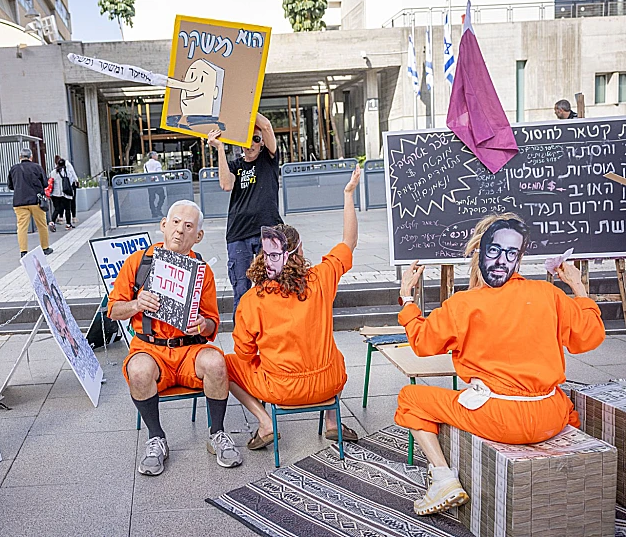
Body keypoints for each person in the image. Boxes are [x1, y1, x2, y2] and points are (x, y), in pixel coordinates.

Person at [393, 213, 606, 516]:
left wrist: (407, 299)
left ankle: (442, 478)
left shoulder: (462, 304)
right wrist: (578, 287)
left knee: (410, 399)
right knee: (565, 401)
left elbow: (422, 344)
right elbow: (590, 337)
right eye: (496, 250)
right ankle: (566, 471)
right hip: (550, 416)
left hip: (496, 417)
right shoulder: (549, 294)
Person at [225, 165, 361, 450]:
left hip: (280, 390)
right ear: (300, 252)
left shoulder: (252, 300)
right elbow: (349, 241)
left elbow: (244, 353)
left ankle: (265, 423)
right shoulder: (322, 278)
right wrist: (348, 195)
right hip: (328, 382)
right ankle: (332, 423)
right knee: (332, 351)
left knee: (225, 365)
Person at [107, 200, 242, 476]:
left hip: (189, 352)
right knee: (138, 369)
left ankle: (217, 433)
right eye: (176, 222)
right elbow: (113, 309)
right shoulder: (139, 262)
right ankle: (156, 437)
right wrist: (136, 304)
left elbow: (213, 322)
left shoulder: (202, 271)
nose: (180, 230)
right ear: (164, 226)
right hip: (150, 349)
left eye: (189, 226)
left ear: (198, 236)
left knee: (217, 362)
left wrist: (203, 325)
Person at [208, 112, 283, 315]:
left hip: (267, 231)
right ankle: (242, 339)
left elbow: (266, 126)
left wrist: (242, 105)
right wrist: (220, 149)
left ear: (261, 143)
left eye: (256, 139)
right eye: (246, 138)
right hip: (239, 233)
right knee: (241, 289)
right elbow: (225, 184)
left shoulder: (268, 159)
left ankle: (270, 333)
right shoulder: (235, 165)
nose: (251, 143)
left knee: (270, 286)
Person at [8, 148, 52, 258]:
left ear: (20, 157)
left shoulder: (14, 169)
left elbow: (10, 185)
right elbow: (45, 184)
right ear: (31, 157)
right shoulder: (37, 167)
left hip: (19, 202)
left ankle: (23, 251)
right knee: (42, 225)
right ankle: (45, 248)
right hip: (36, 201)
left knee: (22, 227)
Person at [49, 158, 78, 231]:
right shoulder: (67, 172)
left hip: (55, 194)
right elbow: (71, 181)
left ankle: (52, 222)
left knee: (57, 209)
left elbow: (51, 181)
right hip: (65, 194)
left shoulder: (53, 172)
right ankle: (68, 224)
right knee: (68, 209)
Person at [54, 155, 78, 219]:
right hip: (70, 185)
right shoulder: (68, 166)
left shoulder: (57, 169)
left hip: (62, 187)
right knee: (72, 201)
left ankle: (61, 217)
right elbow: (73, 173)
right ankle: (73, 216)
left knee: (62, 202)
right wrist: (76, 180)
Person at [144, 151, 166, 219]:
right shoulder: (157, 163)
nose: (157, 156)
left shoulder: (146, 164)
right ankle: (158, 209)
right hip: (157, 182)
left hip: (150, 183)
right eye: (156, 155)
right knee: (162, 196)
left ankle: (153, 213)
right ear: (153, 156)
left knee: (151, 198)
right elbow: (159, 172)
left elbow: (145, 174)